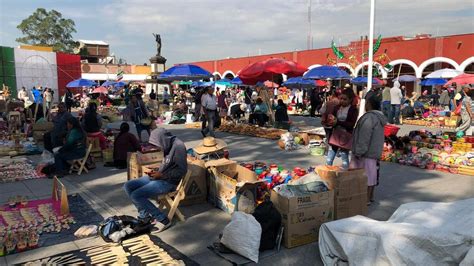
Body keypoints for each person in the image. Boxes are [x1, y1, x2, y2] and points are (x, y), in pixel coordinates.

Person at [123, 128, 187, 232]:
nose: (157, 147)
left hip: (169, 182)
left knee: (136, 195)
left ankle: (163, 219)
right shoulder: (167, 144)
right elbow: (167, 163)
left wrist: (161, 174)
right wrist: (157, 170)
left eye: (157, 144)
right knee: (128, 186)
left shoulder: (178, 146)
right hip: (161, 177)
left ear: (162, 139)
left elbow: (181, 171)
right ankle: (145, 216)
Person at [350, 91, 387, 205]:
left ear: (369, 104)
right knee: (372, 176)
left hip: (366, 152)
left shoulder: (369, 118)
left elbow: (364, 137)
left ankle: (364, 199)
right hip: (373, 151)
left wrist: (359, 151)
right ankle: (369, 197)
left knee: (366, 177)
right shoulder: (379, 117)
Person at [326, 88, 358, 169]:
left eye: (345, 99)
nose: (342, 101)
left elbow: (351, 124)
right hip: (335, 135)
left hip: (346, 136)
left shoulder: (353, 110)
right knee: (329, 158)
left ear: (350, 100)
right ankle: (327, 173)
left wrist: (338, 122)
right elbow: (331, 118)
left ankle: (345, 176)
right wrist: (329, 120)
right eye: (341, 98)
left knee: (344, 158)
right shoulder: (337, 108)